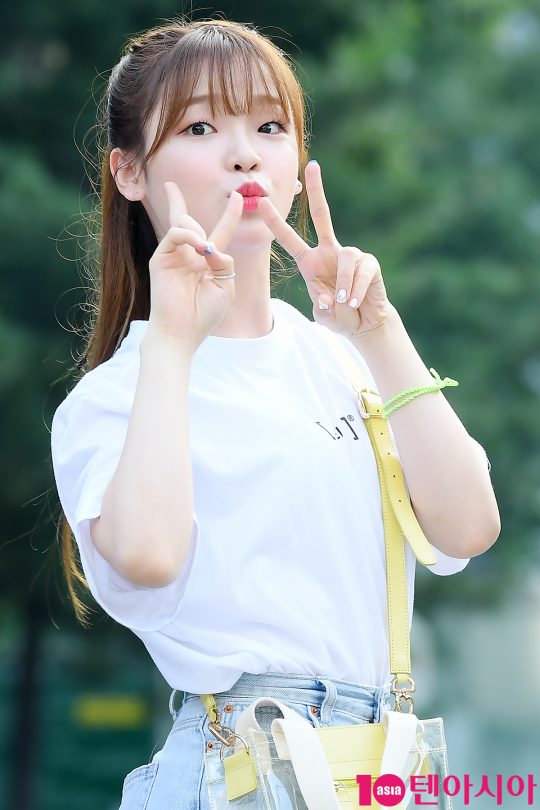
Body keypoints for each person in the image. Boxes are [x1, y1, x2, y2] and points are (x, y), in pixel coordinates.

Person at [50, 16, 500, 810]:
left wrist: (379, 332)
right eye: (200, 128)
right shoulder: (117, 396)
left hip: (381, 772)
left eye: (269, 127)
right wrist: (173, 344)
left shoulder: (345, 359)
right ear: (130, 172)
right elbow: (147, 557)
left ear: (297, 165)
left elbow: (469, 527)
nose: (244, 154)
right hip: (240, 768)